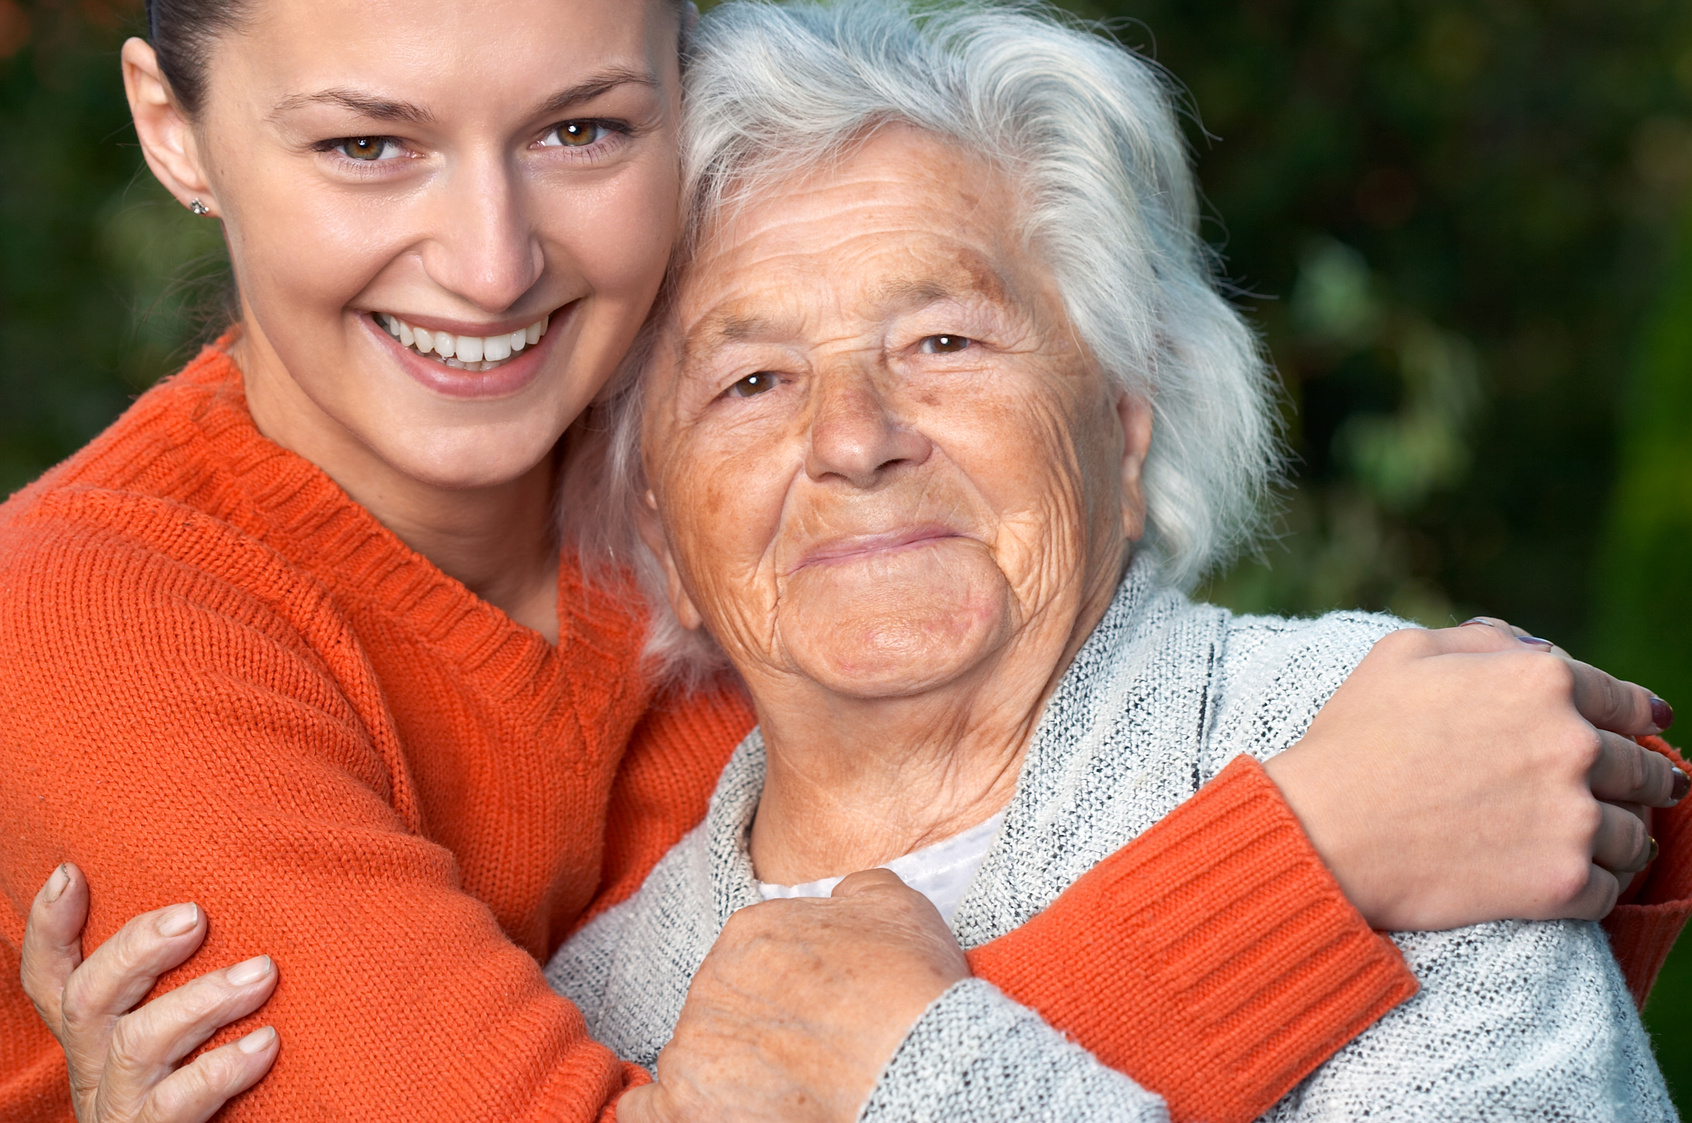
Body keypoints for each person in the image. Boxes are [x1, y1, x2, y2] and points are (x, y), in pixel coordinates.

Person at [5, 1, 1687, 1121]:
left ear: (1126, 412)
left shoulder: (1379, 740)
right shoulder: (106, 616)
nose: (852, 439)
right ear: (656, 517)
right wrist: (1303, 869)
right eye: (750, 381)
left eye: (945, 341)